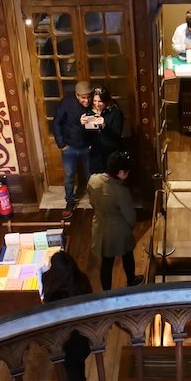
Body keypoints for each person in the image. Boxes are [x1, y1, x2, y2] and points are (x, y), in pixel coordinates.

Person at [41, 252, 95, 381]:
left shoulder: (51, 287)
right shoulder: (81, 281)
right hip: (82, 335)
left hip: (64, 339)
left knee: (73, 370)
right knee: (77, 366)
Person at [89, 151, 142, 291]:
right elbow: (129, 215)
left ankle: (106, 291)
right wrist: (131, 225)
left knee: (106, 262)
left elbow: (92, 202)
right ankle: (131, 280)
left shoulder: (93, 180)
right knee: (127, 254)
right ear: (120, 172)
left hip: (99, 225)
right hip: (118, 228)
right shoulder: (120, 190)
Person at [53, 80, 92, 219]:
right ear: (76, 95)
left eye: (88, 96)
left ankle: (95, 201)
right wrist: (61, 144)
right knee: (69, 177)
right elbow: (57, 123)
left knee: (91, 176)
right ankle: (69, 202)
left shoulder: (95, 102)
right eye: (83, 97)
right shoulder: (66, 103)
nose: (86, 100)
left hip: (88, 146)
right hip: (70, 147)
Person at [83, 87, 124, 174]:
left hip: (110, 152)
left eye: (100, 101)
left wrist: (104, 125)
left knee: (111, 179)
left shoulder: (115, 112)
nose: (97, 104)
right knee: (97, 180)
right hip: (96, 153)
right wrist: (83, 125)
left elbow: (117, 134)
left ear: (106, 101)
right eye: (94, 101)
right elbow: (86, 136)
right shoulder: (89, 112)